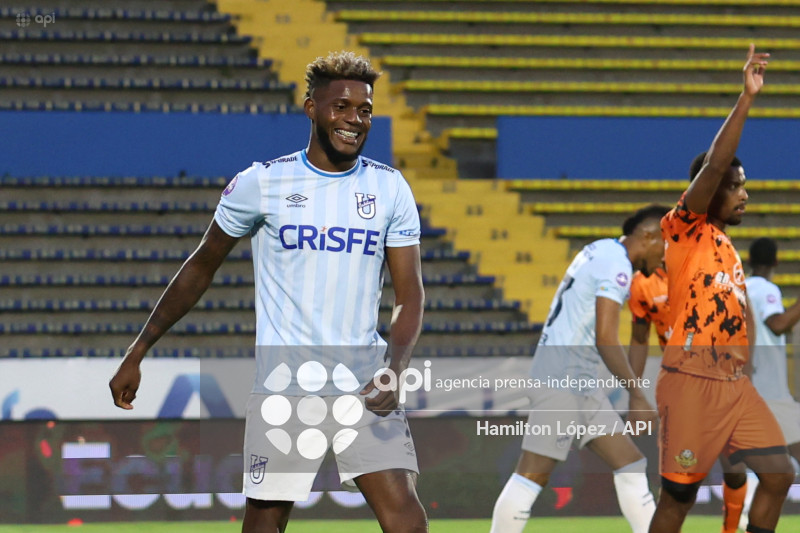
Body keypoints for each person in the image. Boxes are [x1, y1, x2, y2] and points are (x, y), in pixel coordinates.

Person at [108, 51, 428, 533]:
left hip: (364, 382)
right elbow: (201, 266)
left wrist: (394, 369)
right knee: (265, 521)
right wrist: (138, 350)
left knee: (405, 518)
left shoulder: (390, 188)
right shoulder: (263, 182)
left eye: (364, 110)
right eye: (341, 106)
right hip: (285, 385)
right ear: (312, 108)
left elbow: (410, 295)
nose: (354, 119)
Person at [649, 45, 794, 533]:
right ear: (710, 190)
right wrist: (747, 98)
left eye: (744, 185)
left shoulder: (726, 246)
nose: (744, 194)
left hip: (733, 386)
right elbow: (714, 164)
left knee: (779, 474)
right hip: (690, 382)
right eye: (735, 186)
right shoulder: (684, 229)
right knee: (678, 498)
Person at [490, 204, 668, 533]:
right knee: (532, 474)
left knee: (631, 465)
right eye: (665, 248)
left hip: (578, 378)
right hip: (562, 377)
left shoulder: (602, 249)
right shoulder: (616, 265)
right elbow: (606, 337)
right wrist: (637, 395)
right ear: (648, 236)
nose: (664, 260)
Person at [628, 268, 749, 533]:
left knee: (735, 469)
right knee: (678, 483)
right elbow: (638, 338)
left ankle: (729, 530)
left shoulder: (707, 267)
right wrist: (634, 394)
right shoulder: (643, 283)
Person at [738, 237, 800, 528]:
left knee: (773, 470)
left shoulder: (741, 287)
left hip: (748, 389)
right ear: (775, 262)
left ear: (749, 261)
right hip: (771, 394)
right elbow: (777, 324)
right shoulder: (765, 289)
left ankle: (744, 510)